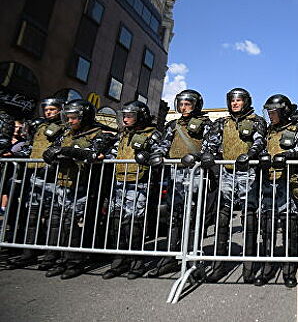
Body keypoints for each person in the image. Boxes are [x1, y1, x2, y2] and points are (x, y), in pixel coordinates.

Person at [41, 99, 117, 279]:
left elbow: (95, 154)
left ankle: (75, 262)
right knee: (59, 223)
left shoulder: (99, 133)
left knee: (75, 225)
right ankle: (61, 260)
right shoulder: (65, 132)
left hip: (85, 187)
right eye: (68, 117)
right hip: (64, 184)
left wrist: (68, 151)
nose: (70, 121)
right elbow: (52, 149)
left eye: (74, 118)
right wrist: (51, 154)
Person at [201, 88, 267, 283]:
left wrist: (251, 154)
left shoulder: (257, 121)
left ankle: (248, 268)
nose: (235, 103)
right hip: (227, 172)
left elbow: (260, 141)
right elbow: (211, 143)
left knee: (248, 216)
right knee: (223, 216)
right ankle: (218, 265)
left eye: (239, 100)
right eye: (232, 100)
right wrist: (208, 154)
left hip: (248, 172)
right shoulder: (222, 122)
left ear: (246, 101)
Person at [147, 89, 211, 278]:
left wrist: (197, 156)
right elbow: (164, 144)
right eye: (181, 104)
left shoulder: (206, 124)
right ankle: (170, 257)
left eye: (187, 104)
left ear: (195, 105)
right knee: (174, 215)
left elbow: (210, 146)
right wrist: (158, 154)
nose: (183, 108)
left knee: (192, 216)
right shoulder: (172, 125)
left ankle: (191, 259)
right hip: (174, 173)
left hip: (194, 173)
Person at [254, 94, 298, 288]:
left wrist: (287, 155)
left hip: (288, 183)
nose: (270, 115)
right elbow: (260, 146)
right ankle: (267, 267)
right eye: (268, 111)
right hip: (268, 183)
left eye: (273, 111)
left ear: (284, 111)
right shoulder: (268, 130)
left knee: (290, 229)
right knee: (267, 228)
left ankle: (289, 269)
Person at [102, 101, 160, 280]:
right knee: (116, 223)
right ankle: (119, 263)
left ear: (140, 116)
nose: (126, 119)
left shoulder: (152, 134)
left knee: (134, 225)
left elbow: (160, 153)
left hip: (138, 185)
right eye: (124, 116)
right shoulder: (123, 135)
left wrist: (149, 157)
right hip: (119, 184)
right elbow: (113, 154)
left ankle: (136, 263)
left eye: (130, 116)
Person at [7, 98, 64, 269]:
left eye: (52, 109)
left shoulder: (64, 128)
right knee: (32, 216)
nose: (48, 112)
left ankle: (50, 255)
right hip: (35, 175)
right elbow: (30, 146)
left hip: (53, 177)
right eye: (46, 109)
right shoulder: (39, 127)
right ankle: (28, 253)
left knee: (53, 219)